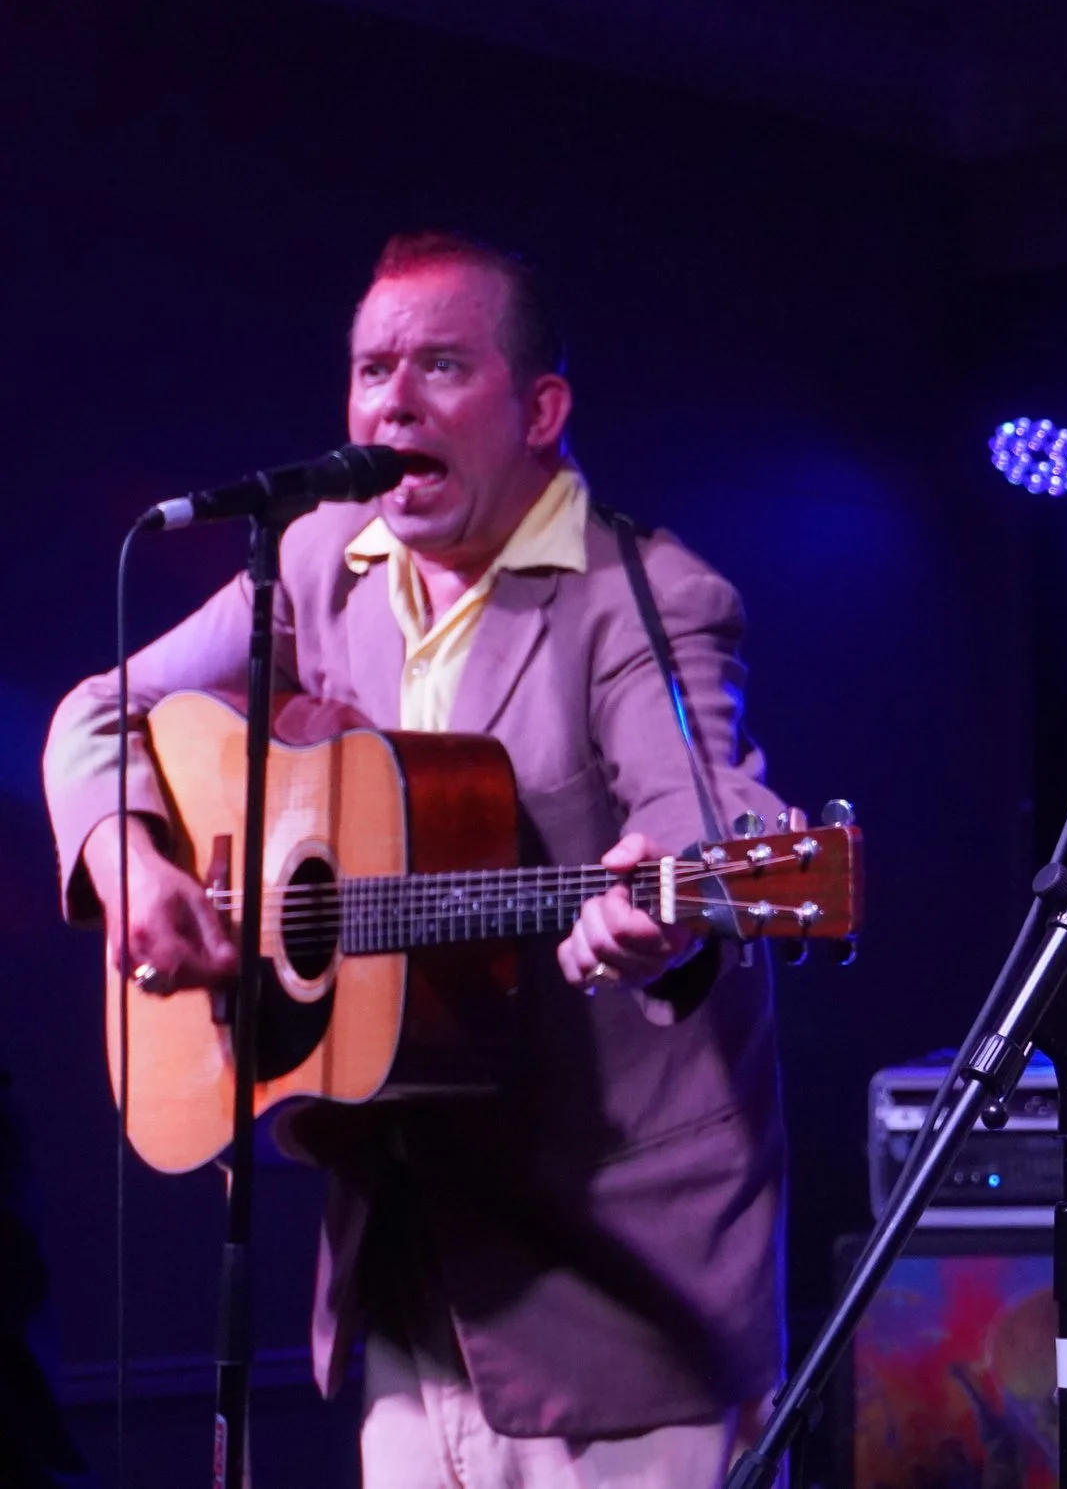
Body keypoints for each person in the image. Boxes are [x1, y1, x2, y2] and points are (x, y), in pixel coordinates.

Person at [42, 232, 786, 1485]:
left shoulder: (646, 595)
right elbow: (94, 713)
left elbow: (702, 809)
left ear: (539, 410)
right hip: (403, 1278)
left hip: (615, 1298)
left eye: (441, 365)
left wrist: (663, 900)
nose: (394, 401)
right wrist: (132, 862)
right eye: (371, 368)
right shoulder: (319, 557)